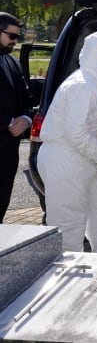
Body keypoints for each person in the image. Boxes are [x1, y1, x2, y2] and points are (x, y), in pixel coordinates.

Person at [37, 30, 97, 252]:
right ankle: (67, 278)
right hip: (64, 161)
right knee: (68, 224)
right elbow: (75, 133)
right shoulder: (82, 85)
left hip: (86, 160)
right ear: (96, 57)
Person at [0, 12, 33, 223]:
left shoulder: (11, 62)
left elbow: (27, 96)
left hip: (8, 153)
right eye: (12, 36)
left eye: (17, 37)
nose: (15, 42)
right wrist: (8, 122)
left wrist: (26, 119)